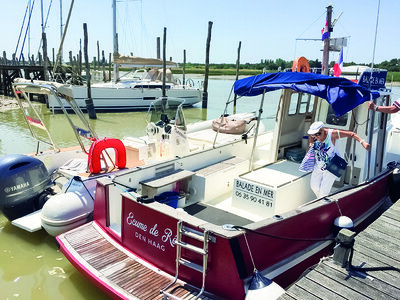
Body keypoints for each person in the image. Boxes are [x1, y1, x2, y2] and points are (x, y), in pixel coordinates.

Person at [307, 121, 370, 198]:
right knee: (314, 187)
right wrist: (311, 143)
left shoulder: (332, 134)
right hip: (318, 166)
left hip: (331, 167)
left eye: (318, 134)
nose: (316, 137)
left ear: (323, 130)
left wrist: (362, 142)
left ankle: (322, 202)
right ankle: (322, 200)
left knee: (323, 193)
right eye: (314, 135)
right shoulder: (314, 135)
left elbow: (351, 134)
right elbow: (310, 136)